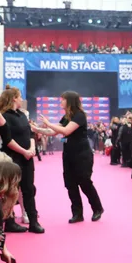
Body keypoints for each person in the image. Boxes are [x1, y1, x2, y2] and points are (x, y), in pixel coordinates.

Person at [40, 91, 104, 223]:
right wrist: (35, 129)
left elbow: (65, 131)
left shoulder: (79, 115)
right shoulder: (66, 117)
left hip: (82, 154)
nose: (60, 102)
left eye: (63, 99)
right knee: (70, 184)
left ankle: (97, 208)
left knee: (84, 182)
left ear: (70, 101)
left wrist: (48, 123)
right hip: (68, 154)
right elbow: (52, 131)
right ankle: (77, 213)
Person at [0, 88, 44, 234]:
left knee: (29, 189)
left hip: (27, 158)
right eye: (19, 97)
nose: (21, 99)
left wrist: (32, 148)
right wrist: (24, 151)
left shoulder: (22, 115)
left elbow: (30, 134)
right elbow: (7, 139)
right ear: (13, 98)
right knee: (11, 190)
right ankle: (9, 221)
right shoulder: (4, 116)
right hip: (12, 157)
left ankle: (33, 222)